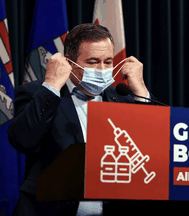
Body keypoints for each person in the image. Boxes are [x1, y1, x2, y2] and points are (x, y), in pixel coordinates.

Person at [8, 23, 153, 216]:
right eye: (92, 62)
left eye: (108, 62)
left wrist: (141, 92)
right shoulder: (39, 94)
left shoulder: (123, 97)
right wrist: (51, 86)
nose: (102, 69)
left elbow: (153, 148)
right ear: (69, 63)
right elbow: (23, 140)